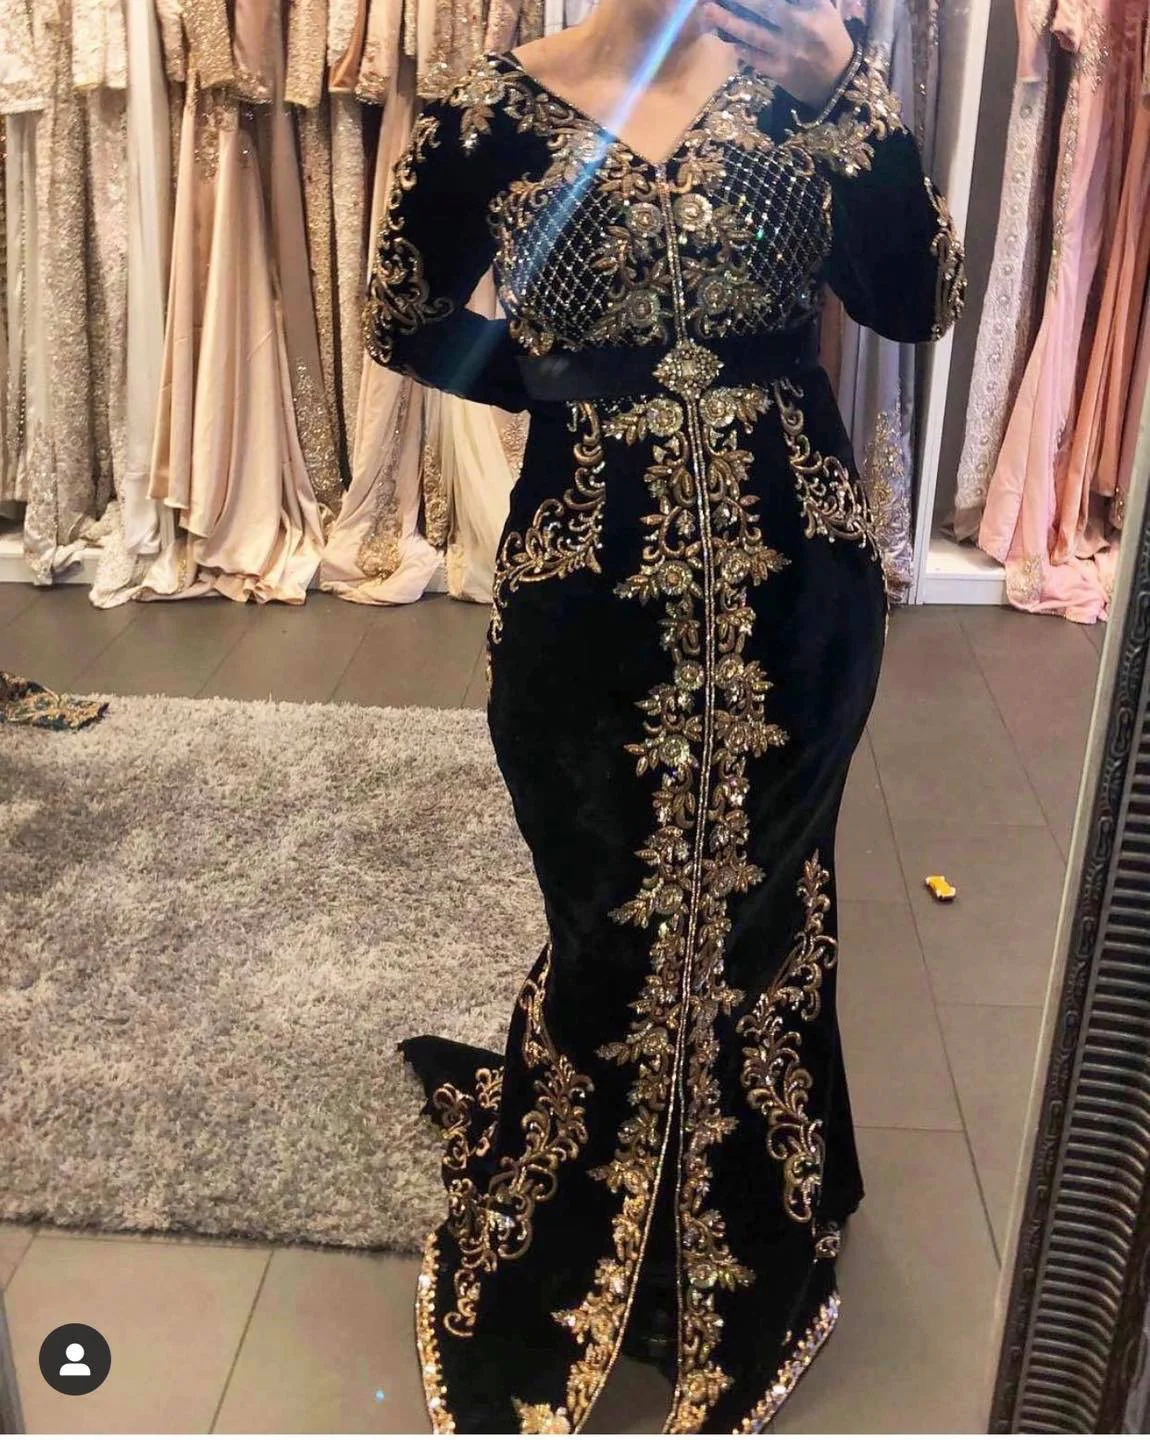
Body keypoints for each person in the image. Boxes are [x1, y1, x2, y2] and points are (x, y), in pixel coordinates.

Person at [364, 0, 966, 1430]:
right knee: (606, 910)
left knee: (762, 908)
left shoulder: (810, 90)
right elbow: (404, 318)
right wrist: (567, 385)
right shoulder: (484, 114)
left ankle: (745, 1218)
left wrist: (850, 99)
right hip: (584, 594)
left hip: (798, 586)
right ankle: (595, 1220)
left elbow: (915, 299)